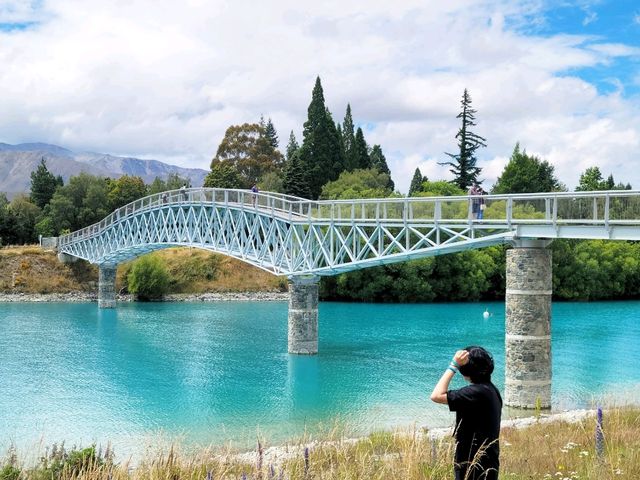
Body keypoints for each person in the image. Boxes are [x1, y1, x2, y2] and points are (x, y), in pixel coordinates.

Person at [430, 346, 502, 480]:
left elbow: (436, 395)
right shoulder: (491, 390)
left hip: (472, 464)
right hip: (487, 462)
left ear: (466, 371)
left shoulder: (475, 393)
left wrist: (453, 365)